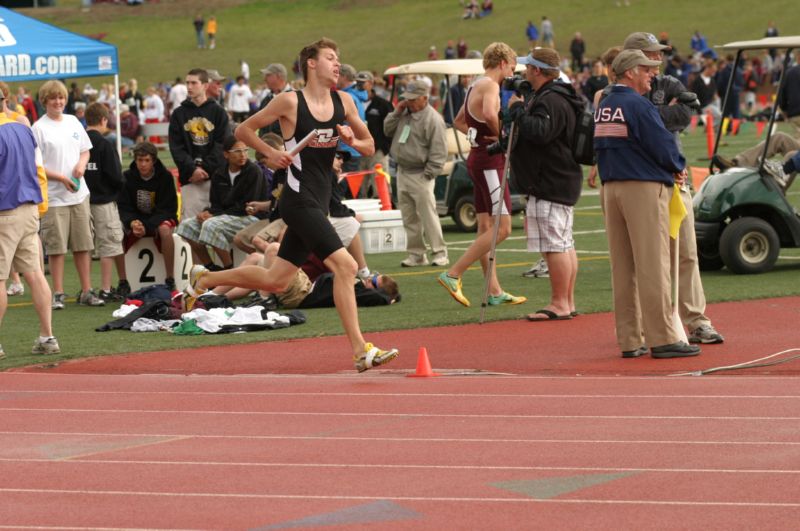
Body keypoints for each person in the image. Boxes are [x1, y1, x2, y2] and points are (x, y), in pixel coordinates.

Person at [186, 37, 399, 372]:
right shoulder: (289, 102)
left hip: (319, 201)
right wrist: (272, 154)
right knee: (345, 267)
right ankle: (360, 349)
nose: (337, 63)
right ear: (311, 64)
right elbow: (243, 129)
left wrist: (350, 140)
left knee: (277, 281)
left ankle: (206, 280)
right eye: (330, 57)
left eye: (338, 57)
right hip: (298, 202)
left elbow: (370, 145)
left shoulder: (344, 101)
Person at [595, 49, 700, 359]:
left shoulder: (606, 103)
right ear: (629, 72)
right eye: (646, 69)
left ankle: (630, 338)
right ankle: (663, 337)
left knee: (623, 267)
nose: (652, 74)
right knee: (653, 264)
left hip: (611, 186)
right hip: (642, 188)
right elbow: (664, 146)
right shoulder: (637, 105)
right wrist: (677, 165)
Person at [624, 31, 724, 345]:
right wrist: (660, 113)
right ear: (634, 58)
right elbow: (630, 125)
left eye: (659, 53)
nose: (659, 59)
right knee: (642, 259)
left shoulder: (669, 84)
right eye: (652, 54)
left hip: (674, 177)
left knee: (686, 253)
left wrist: (652, 115)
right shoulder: (619, 91)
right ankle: (647, 325)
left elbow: (681, 116)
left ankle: (696, 321)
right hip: (640, 181)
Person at [438, 42, 527, 308]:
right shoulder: (490, 85)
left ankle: (493, 290)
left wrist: (477, 137)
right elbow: (488, 113)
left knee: (486, 226)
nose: (512, 73)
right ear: (502, 63)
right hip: (490, 161)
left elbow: (459, 121)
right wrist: (502, 132)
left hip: (478, 157)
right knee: (503, 227)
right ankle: (453, 273)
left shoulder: (474, 85)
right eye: (512, 67)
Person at [508, 49, 583, 321]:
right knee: (563, 243)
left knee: (554, 246)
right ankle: (567, 301)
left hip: (549, 180)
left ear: (537, 70)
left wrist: (517, 109)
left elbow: (540, 132)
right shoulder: (561, 95)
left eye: (528, 68)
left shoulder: (550, 99)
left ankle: (560, 303)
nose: (525, 72)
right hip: (559, 178)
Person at [32, 80, 105, 309]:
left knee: (83, 245)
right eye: (53, 98)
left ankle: (86, 291)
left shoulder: (73, 121)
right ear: (44, 101)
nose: (58, 102)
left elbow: (85, 150)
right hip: (53, 197)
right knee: (56, 248)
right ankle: (58, 293)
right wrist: (62, 178)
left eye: (61, 97)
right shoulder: (38, 128)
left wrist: (81, 167)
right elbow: (37, 165)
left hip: (79, 194)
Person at [0, 95, 60, 358]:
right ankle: (47, 336)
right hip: (29, 208)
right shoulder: (24, 128)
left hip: (5, 210)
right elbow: (38, 169)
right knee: (35, 273)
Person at [384, 81, 449, 268]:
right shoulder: (404, 114)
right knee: (409, 217)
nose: (409, 103)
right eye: (407, 99)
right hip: (403, 171)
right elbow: (386, 129)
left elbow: (439, 150)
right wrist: (397, 111)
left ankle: (440, 252)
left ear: (425, 98)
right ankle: (416, 254)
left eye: (413, 100)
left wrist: (429, 174)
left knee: (428, 215)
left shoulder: (433, 119)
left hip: (421, 173)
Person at [176, 135, 266, 269]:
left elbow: (246, 207)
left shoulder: (253, 171)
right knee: (185, 225)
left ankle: (229, 269)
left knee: (211, 225)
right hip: (226, 217)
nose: (243, 155)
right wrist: (207, 212)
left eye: (245, 150)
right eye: (237, 151)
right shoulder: (219, 173)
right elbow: (216, 203)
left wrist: (214, 215)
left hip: (250, 218)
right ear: (226, 154)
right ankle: (211, 267)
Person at [168, 68, 229, 222]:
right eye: (187, 83)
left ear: (205, 85)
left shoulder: (218, 112)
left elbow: (222, 144)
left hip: (215, 179)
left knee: (216, 230)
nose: (189, 87)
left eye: (194, 83)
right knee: (190, 231)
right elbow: (176, 147)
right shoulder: (178, 114)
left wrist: (206, 168)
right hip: (191, 179)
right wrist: (192, 169)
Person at [118, 142, 179, 292]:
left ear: (154, 161)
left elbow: (168, 208)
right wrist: (132, 222)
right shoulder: (126, 177)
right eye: (140, 160)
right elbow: (123, 206)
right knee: (115, 231)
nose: (143, 164)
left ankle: (170, 278)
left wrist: (147, 226)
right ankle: (123, 281)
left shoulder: (165, 176)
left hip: (159, 219)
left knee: (165, 230)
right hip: (136, 220)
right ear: (135, 160)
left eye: (147, 160)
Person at [83, 103, 126, 301]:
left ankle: (87, 288)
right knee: (109, 245)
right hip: (103, 201)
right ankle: (106, 288)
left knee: (85, 247)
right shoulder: (104, 144)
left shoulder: (79, 142)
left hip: (81, 201)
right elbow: (116, 176)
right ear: (104, 120)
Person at [357, 70, 394, 196]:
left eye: (363, 82)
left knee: (380, 186)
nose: (360, 85)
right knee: (360, 187)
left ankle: (383, 210)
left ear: (371, 84)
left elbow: (392, 126)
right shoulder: (353, 102)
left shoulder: (383, 104)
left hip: (377, 151)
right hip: (358, 151)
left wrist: (385, 148)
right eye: (357, 82)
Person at [337, 64, 368, 173]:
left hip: (347, 149)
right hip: (355, 148)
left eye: (337, 75)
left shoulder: (346, 97)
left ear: (344, 77)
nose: (335, 78)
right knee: (352, 188)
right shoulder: (357, 95)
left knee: (343, 188)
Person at [257, 63, 292, 136]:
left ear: (279, 76)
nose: (264, 79)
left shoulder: (295, 98)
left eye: (268, 75)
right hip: (266, 145)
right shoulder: (266, 100)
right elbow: (260, 126)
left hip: (289, 146)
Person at [778, 63, 800, 136]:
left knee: (796, 142)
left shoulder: (789, 73)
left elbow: (782, 93)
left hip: (794, 114)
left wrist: (784, 109)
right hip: (795, 112)